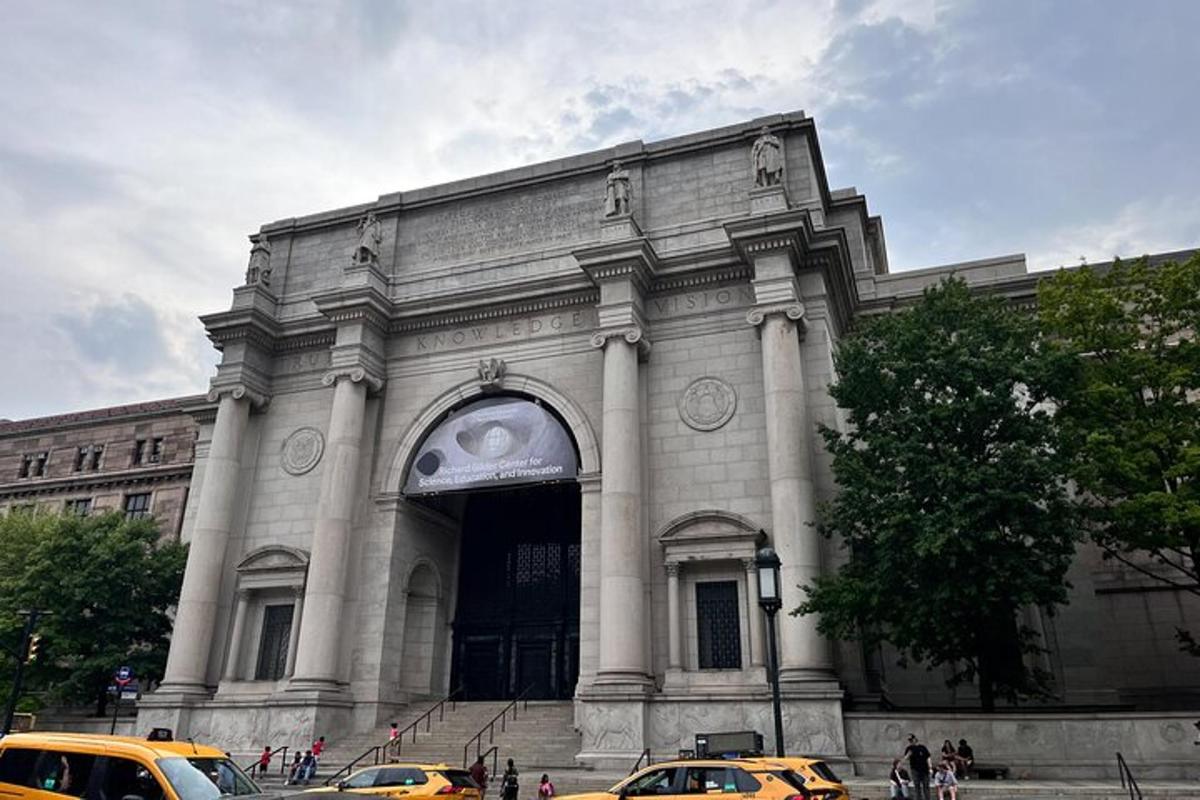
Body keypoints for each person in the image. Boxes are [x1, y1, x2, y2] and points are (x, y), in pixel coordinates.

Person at [902, 734, 932, 800]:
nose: (910, 742)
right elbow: (905, 758)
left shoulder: (922, 747)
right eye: (909, 740)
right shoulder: (909, 748)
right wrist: (908, 754)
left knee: (926, 786)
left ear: (915, 739)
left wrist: (930, 767)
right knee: (917, 786)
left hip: (925, 770)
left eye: (911, 740)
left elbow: (928, 757)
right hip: (915, 770)